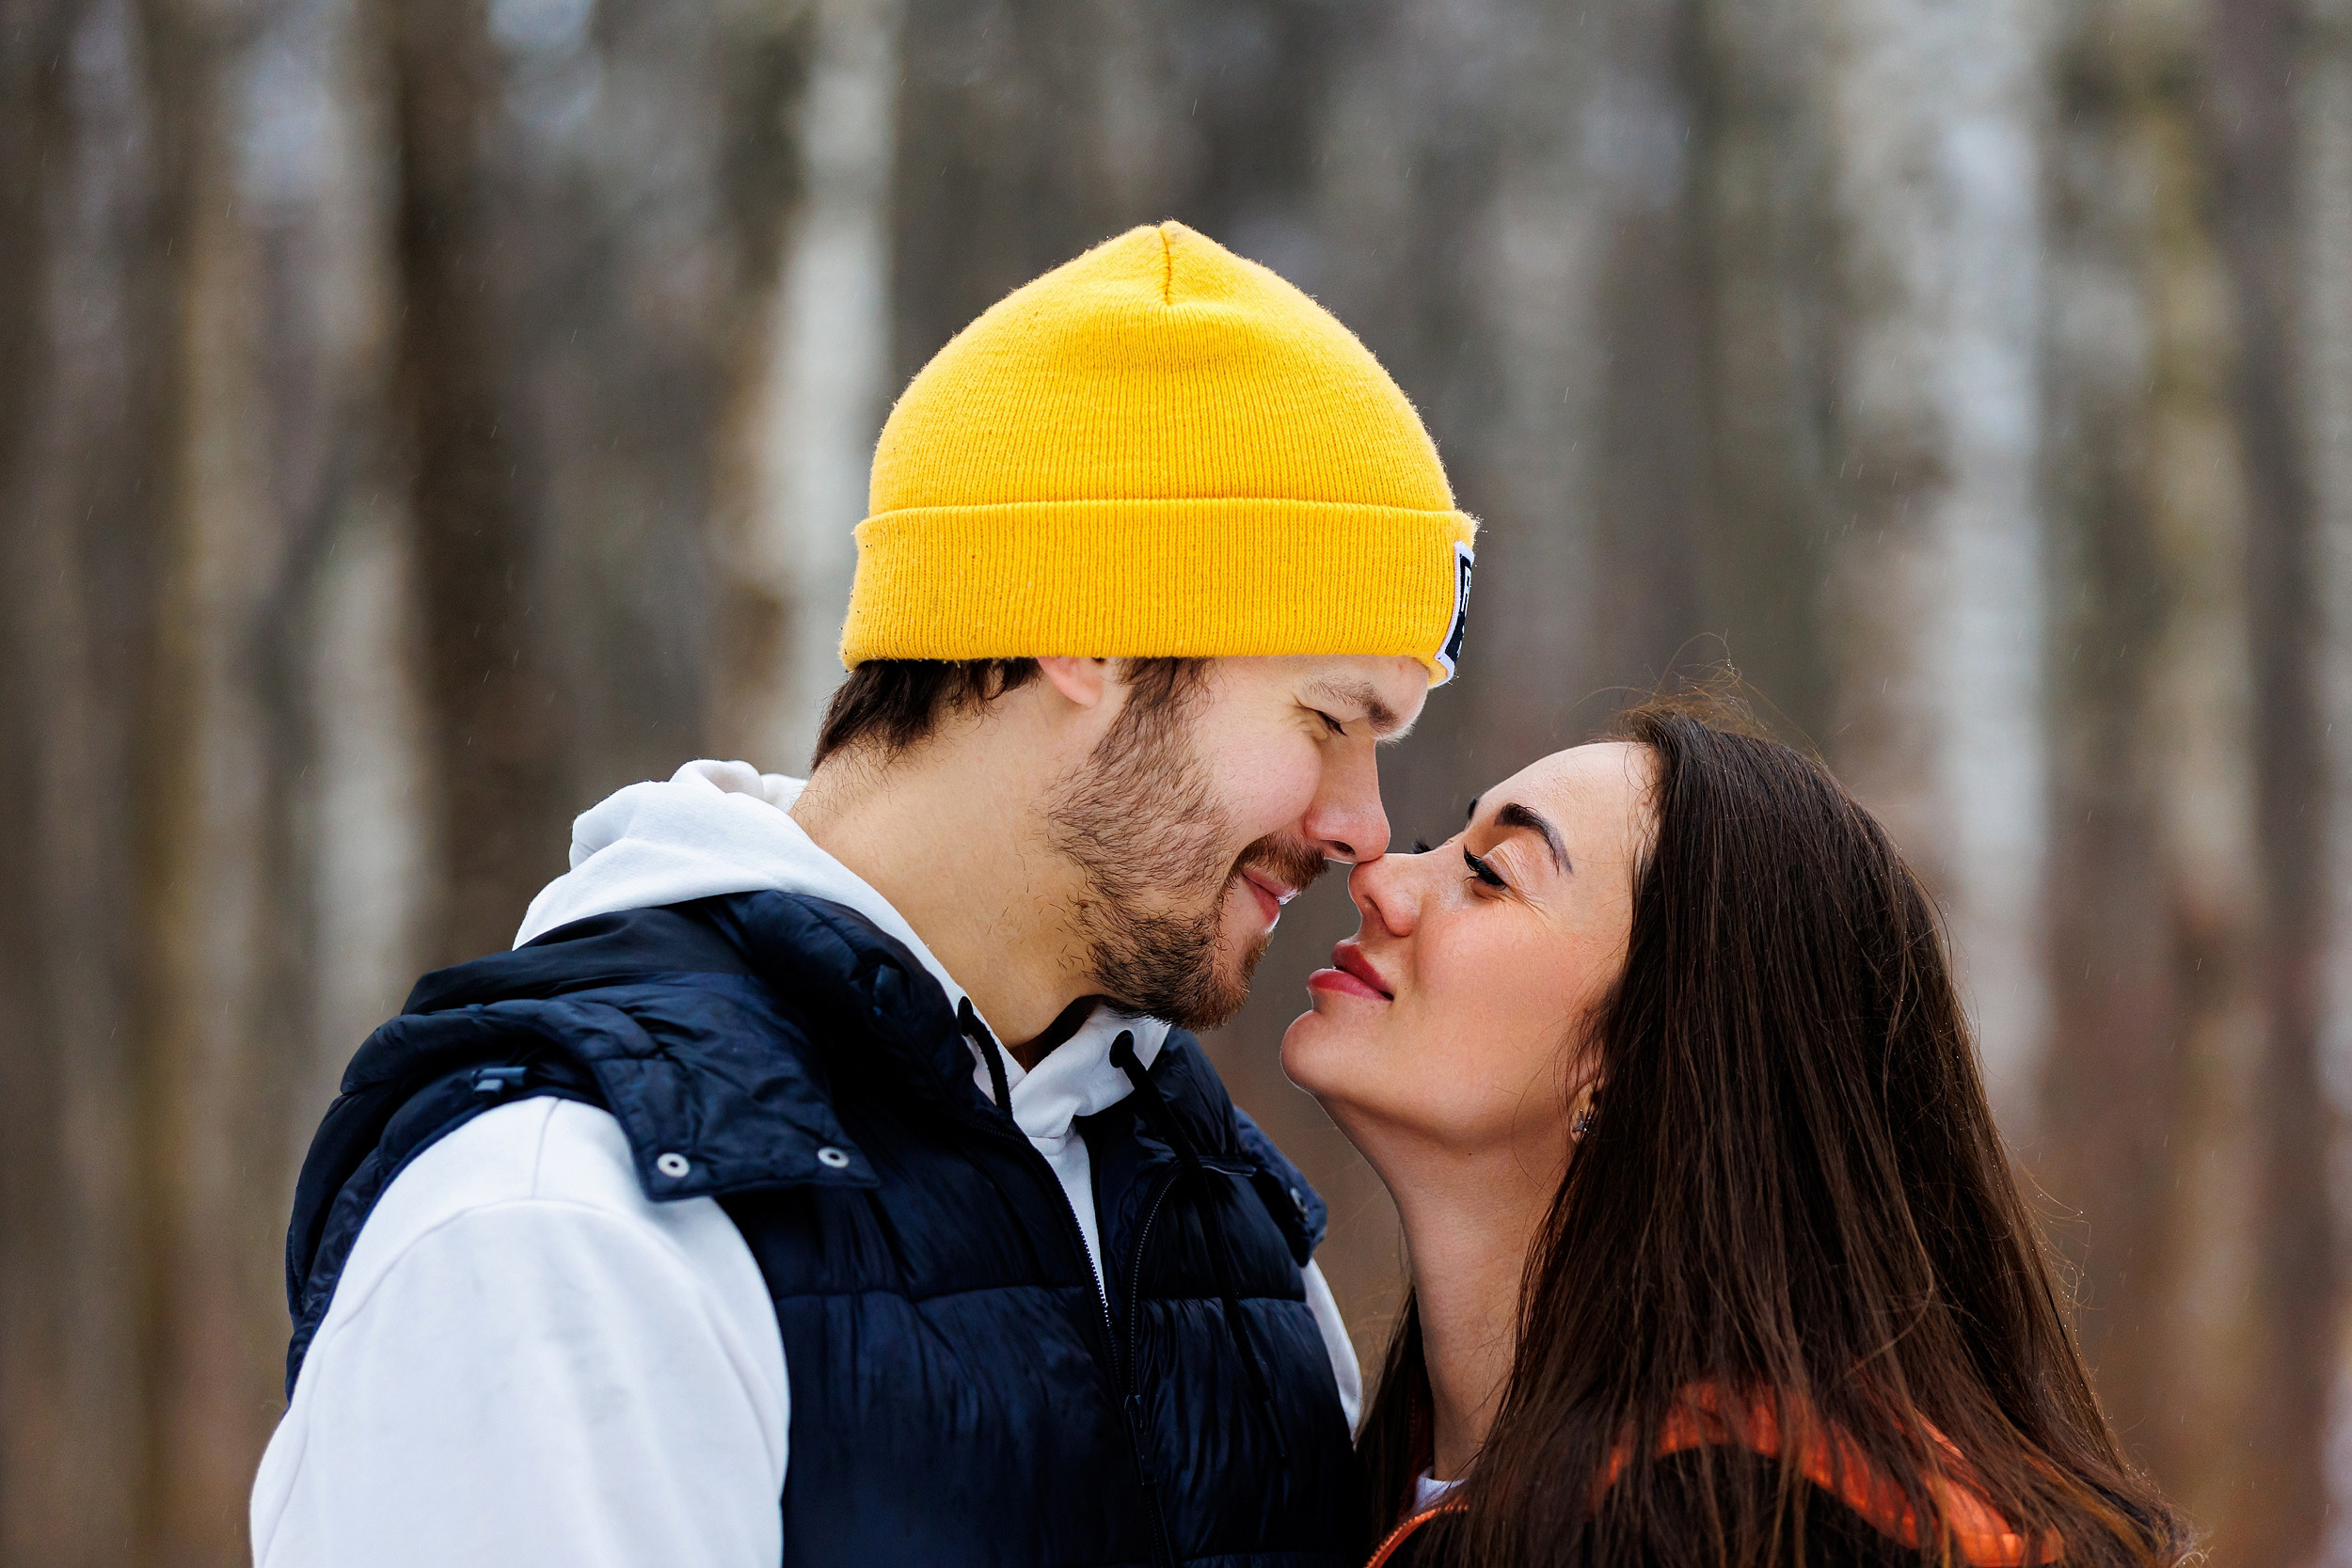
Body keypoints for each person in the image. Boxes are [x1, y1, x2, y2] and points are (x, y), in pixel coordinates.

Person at [251, 222, 1479, 1568]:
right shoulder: (562, 1227)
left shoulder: (1226, 1234)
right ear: (1090, 629)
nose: (1363, 826)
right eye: (1327, 718)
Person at [1282, 692, 2190, 1567]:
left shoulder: (1762, 1529)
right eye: (1437, 846)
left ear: (1636, 1051)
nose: (1378, 877)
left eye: (1490, 875)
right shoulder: (1332, 1471)